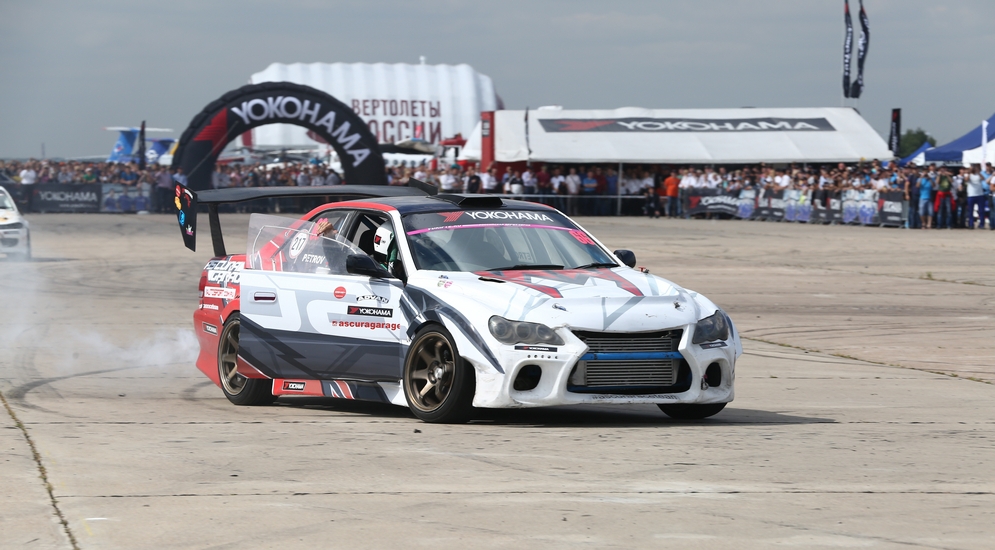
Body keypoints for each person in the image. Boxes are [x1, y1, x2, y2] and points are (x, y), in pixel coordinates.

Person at [965, 164, 987, 229]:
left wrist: (978, 172)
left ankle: (981, 224)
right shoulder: (968, 174)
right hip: (971, 195)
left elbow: (983, 178)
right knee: (970, 211)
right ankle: (971, 224)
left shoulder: (978, 174)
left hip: (980, 194)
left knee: (981, 211)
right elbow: (966, 180)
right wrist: (969, 172)